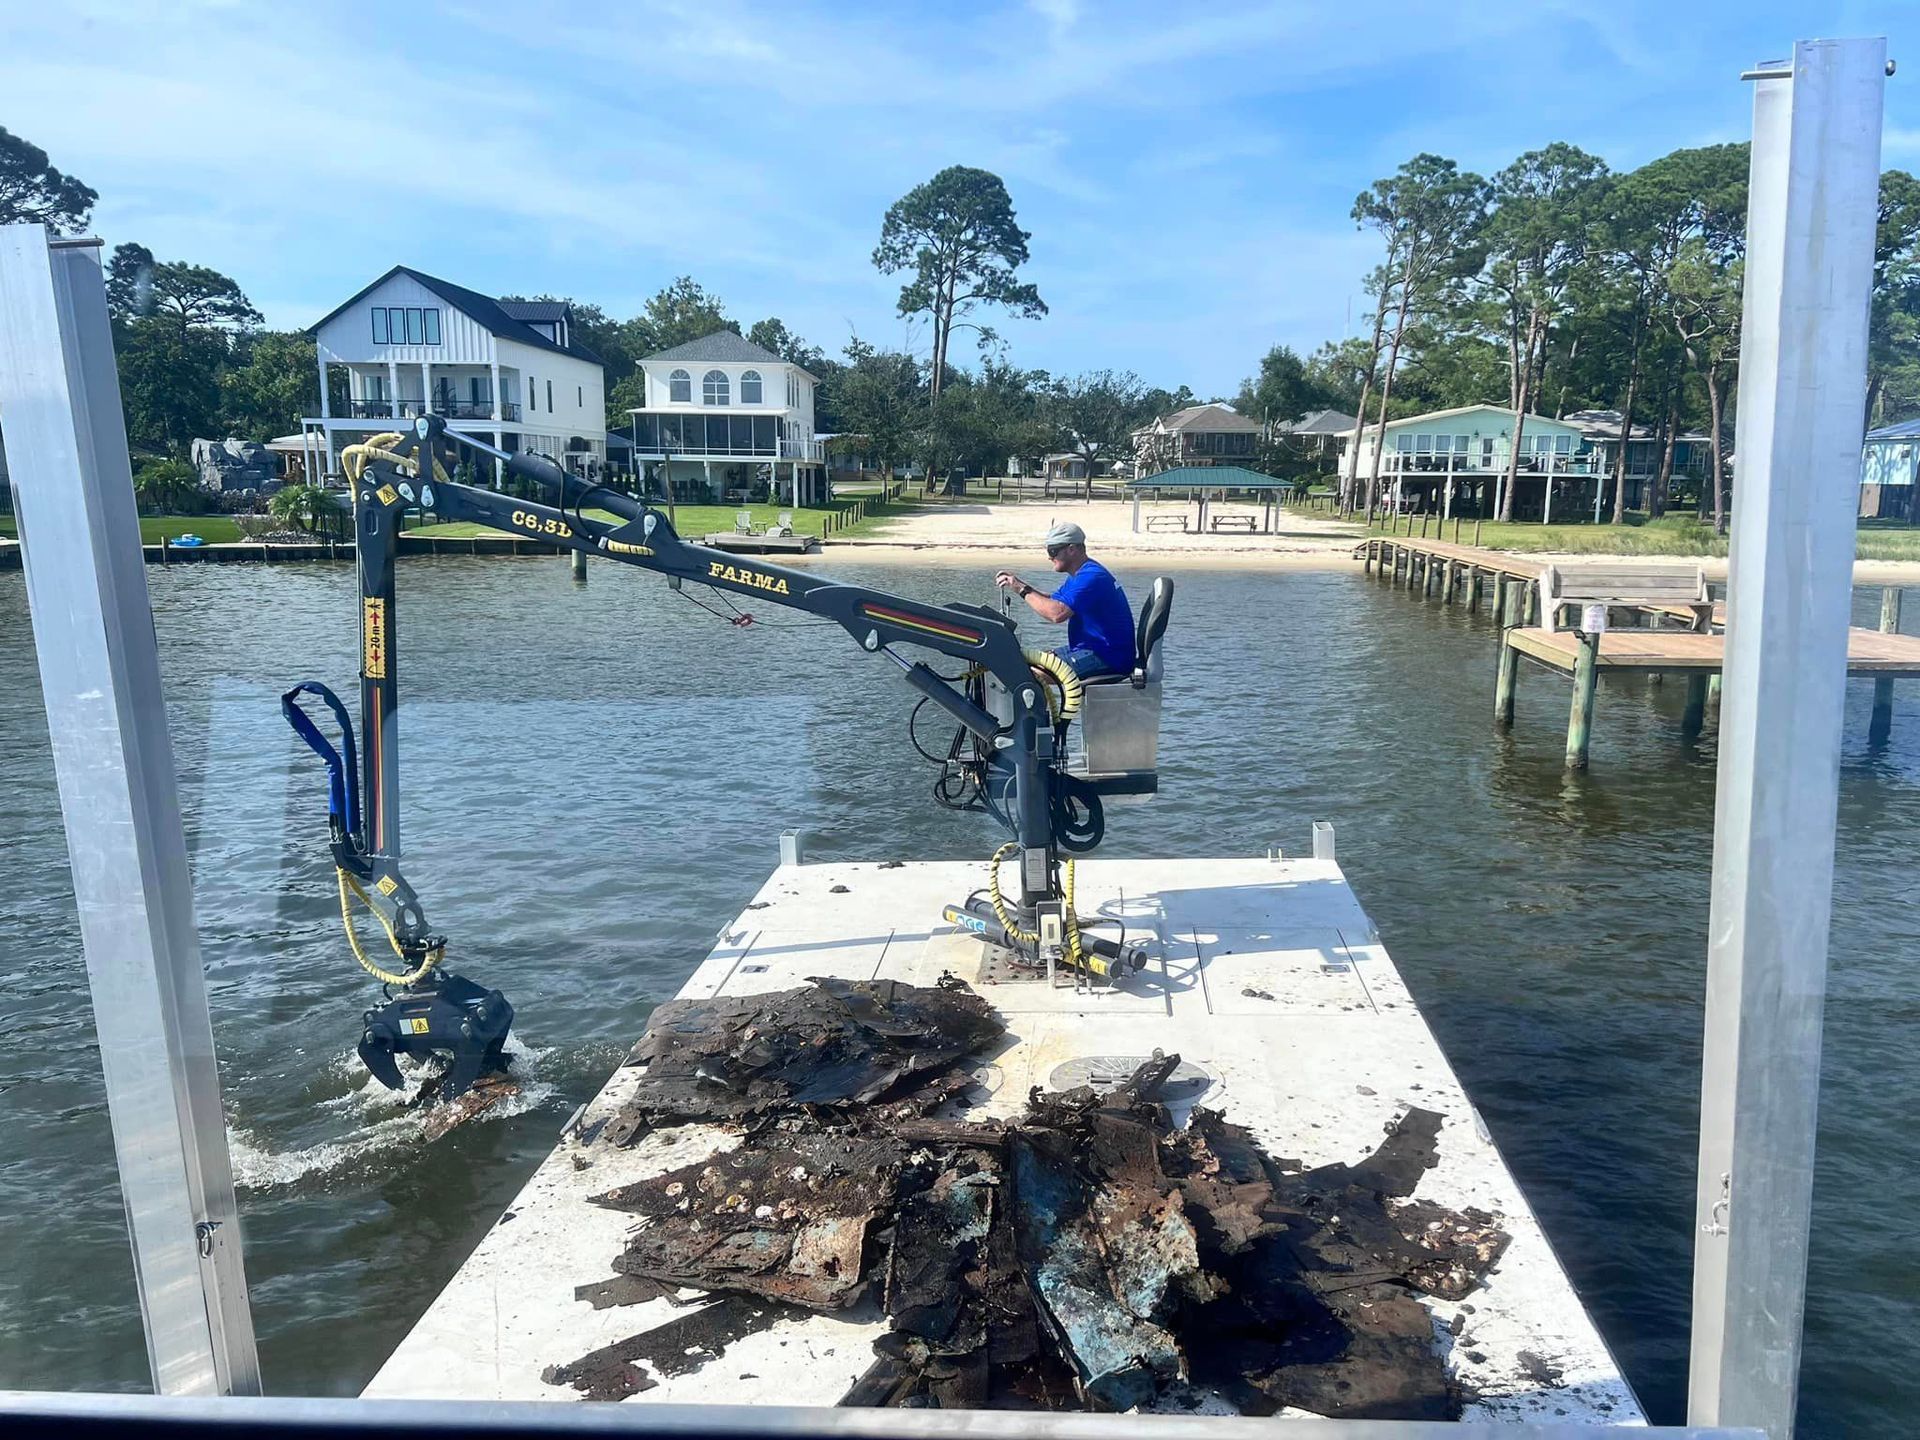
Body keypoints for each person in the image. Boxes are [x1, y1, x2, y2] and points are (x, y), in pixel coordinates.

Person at [995, 522, 1136, 678]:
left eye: (1053, 551)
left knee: (1022, 674)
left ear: (1071, 549)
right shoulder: (1081, 574)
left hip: (1108, 657)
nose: (1049, 557)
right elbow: (1052, 600)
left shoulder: (1092, 577)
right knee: (1019, 662)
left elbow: (1057, 613)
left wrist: (1020, 589)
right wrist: (1018, 583)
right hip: (1091, 649)